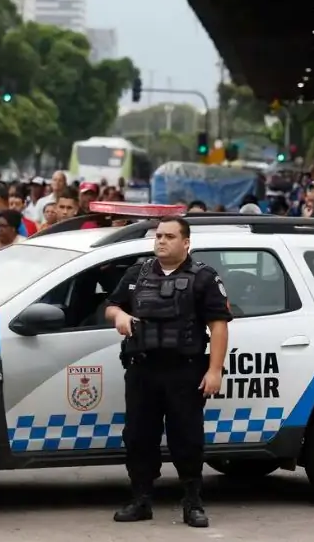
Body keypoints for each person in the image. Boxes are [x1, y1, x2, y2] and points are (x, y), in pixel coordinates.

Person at [104, 216, 232, 528]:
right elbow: (110, 306)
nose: (161, 241)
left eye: (170, 236)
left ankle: (192, 502)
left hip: (184, 371)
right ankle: (141, 499)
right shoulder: (139, 272)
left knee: (187, 438)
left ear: (186, 243)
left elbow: (218, 326)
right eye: (159, 236)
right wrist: (119, 314)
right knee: (138, 437)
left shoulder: (203, 277)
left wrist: (215, 370)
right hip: (142, 369)